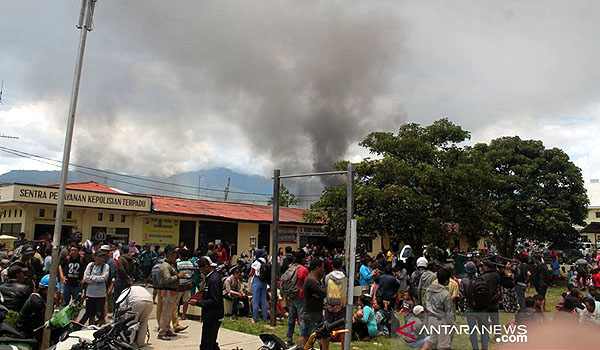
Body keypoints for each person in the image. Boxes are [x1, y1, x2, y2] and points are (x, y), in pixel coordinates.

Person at [188, 256, 224, 350]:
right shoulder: (210, 278)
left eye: (201, 268)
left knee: (207, 344)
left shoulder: (213, 280)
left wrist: (198, 303)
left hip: (213, 316)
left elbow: (214, 300)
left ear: (207, 266)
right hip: (209, 315)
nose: (200, 271)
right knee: (210, 343)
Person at [157, 245, 187, 340]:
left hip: (172, 292)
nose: (176, 258)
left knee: (169, 313)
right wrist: (178, 276)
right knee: (166, 312)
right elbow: (167, 279)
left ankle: (167, 329)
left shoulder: (171, 265)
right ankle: (162, 332)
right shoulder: (166, 266)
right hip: (168, 292)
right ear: (170, 256)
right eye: (175, 256)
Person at [16, 274, 54, 343]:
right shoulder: (36, 301)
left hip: (33, 324)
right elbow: (45, 318)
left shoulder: (44, 297)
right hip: (24, 328)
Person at [424, 268, 455, 350]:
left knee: (432, 340)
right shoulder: (445, 294)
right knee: (444, 345)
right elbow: (448, 311)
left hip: (431, 318)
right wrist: (452, 325)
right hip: (441, 320)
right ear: (446, 281)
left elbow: (425, 303)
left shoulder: (429, 290)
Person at [284, 250, 309, 346]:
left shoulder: (291, 267)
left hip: (291, 296)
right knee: (302, 320)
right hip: (300, 296)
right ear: (302, 258)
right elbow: (306, 284)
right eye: (305, 257)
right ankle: (301, 342)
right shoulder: (303, 269)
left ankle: (289, 338)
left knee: (291, 319)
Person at [301, 259, 327, 348]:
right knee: (307, 336)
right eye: (322, 267)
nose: (323, 270)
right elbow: (323, 293)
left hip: (316, 311)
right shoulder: (312, 280)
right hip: (311, 312)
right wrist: (320, 294)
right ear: (317, 268)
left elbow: (321, 294)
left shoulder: (316, 279)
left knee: (322, 334)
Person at [80, 250, 110, 326]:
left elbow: (103, 278)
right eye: (99, 256)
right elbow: (85, 278)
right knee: (90, 314)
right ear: (95, 257)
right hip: (90, 294)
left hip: (100, 295)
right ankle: (90, 327)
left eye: (103, 257)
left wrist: (92, 277)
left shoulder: (105, 266)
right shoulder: (90, 266)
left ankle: (101, 328)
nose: (101, 258)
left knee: (100, 315)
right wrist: (96, 279)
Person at [324, 257, 347, 350]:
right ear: (341, 266)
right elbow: (345, 293)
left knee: (327, 327)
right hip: (340, 305)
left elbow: (325, 291)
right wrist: (341, 306)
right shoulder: (344, 278)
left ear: (332, 266)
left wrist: (327, 305)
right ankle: (343, 347)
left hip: (329, 304)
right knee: (342, 328)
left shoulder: (327, 277)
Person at [115, 245, 136, 311]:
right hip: (128, 280)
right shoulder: (131, 259)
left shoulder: (121, 259)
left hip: (121, 280)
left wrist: (126, 276)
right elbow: (134, 269)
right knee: (126, 297)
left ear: (122, 251)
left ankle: (116, 311)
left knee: (117, 297)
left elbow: (121, 269)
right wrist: (130, 277)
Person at [481, 260, 501, 328]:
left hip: (485, 300)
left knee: (484, 320)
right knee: (495, 321)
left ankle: (485, 336)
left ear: (487, 267)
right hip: (494, 300)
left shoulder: (483, 277)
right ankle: (497, 336)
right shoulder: (496, 276)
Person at [250, 253, 268, 323]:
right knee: (264, 300)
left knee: (256, 301)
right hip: (264, 282)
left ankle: (255, 318)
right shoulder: (266, 262)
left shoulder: (256, 262)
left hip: (257, 281)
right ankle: (265, 318)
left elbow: (251, 273)